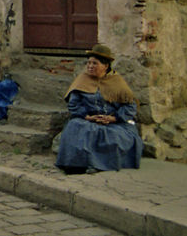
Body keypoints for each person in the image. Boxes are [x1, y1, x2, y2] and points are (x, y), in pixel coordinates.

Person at [56, 44, 143, 174]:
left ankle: (98, 165)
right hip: (88, 119)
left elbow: (130, 106)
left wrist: (114, 118)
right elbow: (74, 104)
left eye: (94, 63)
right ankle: (76, 165)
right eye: (89, 63)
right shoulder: (82, 79)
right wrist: (87, 116)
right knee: (75, 128)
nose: (90, 66)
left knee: (115, 137)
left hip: (113, 122)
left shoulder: (116, 81)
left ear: (105, 66)